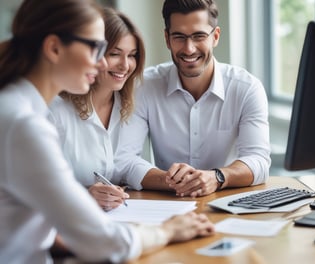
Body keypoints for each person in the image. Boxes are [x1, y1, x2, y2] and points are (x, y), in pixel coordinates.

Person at [0, 0, 215, 263]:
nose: (101, 63)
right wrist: (167, 230)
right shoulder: (25, 124)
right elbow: (105, 243)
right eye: (96, 48)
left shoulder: (16, 107)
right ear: (54, 48)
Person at [114, 0, 271, 198]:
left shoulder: (247, 88)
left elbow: (258, 161)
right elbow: (124, 160)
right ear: (167, 39)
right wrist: (174, 182)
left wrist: (217, 177)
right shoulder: (144, 87)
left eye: (199, 36)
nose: (189, 49)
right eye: (179, 37)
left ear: (215, 36)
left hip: (227, 203)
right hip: (170, 203)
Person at [48, 7, 145, 211]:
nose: (125, 65)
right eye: (115, 54)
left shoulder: (128, 104)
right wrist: (85, 193)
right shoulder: (56, 109)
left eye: (132, 55)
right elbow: (38, 186)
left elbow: (126, 163)